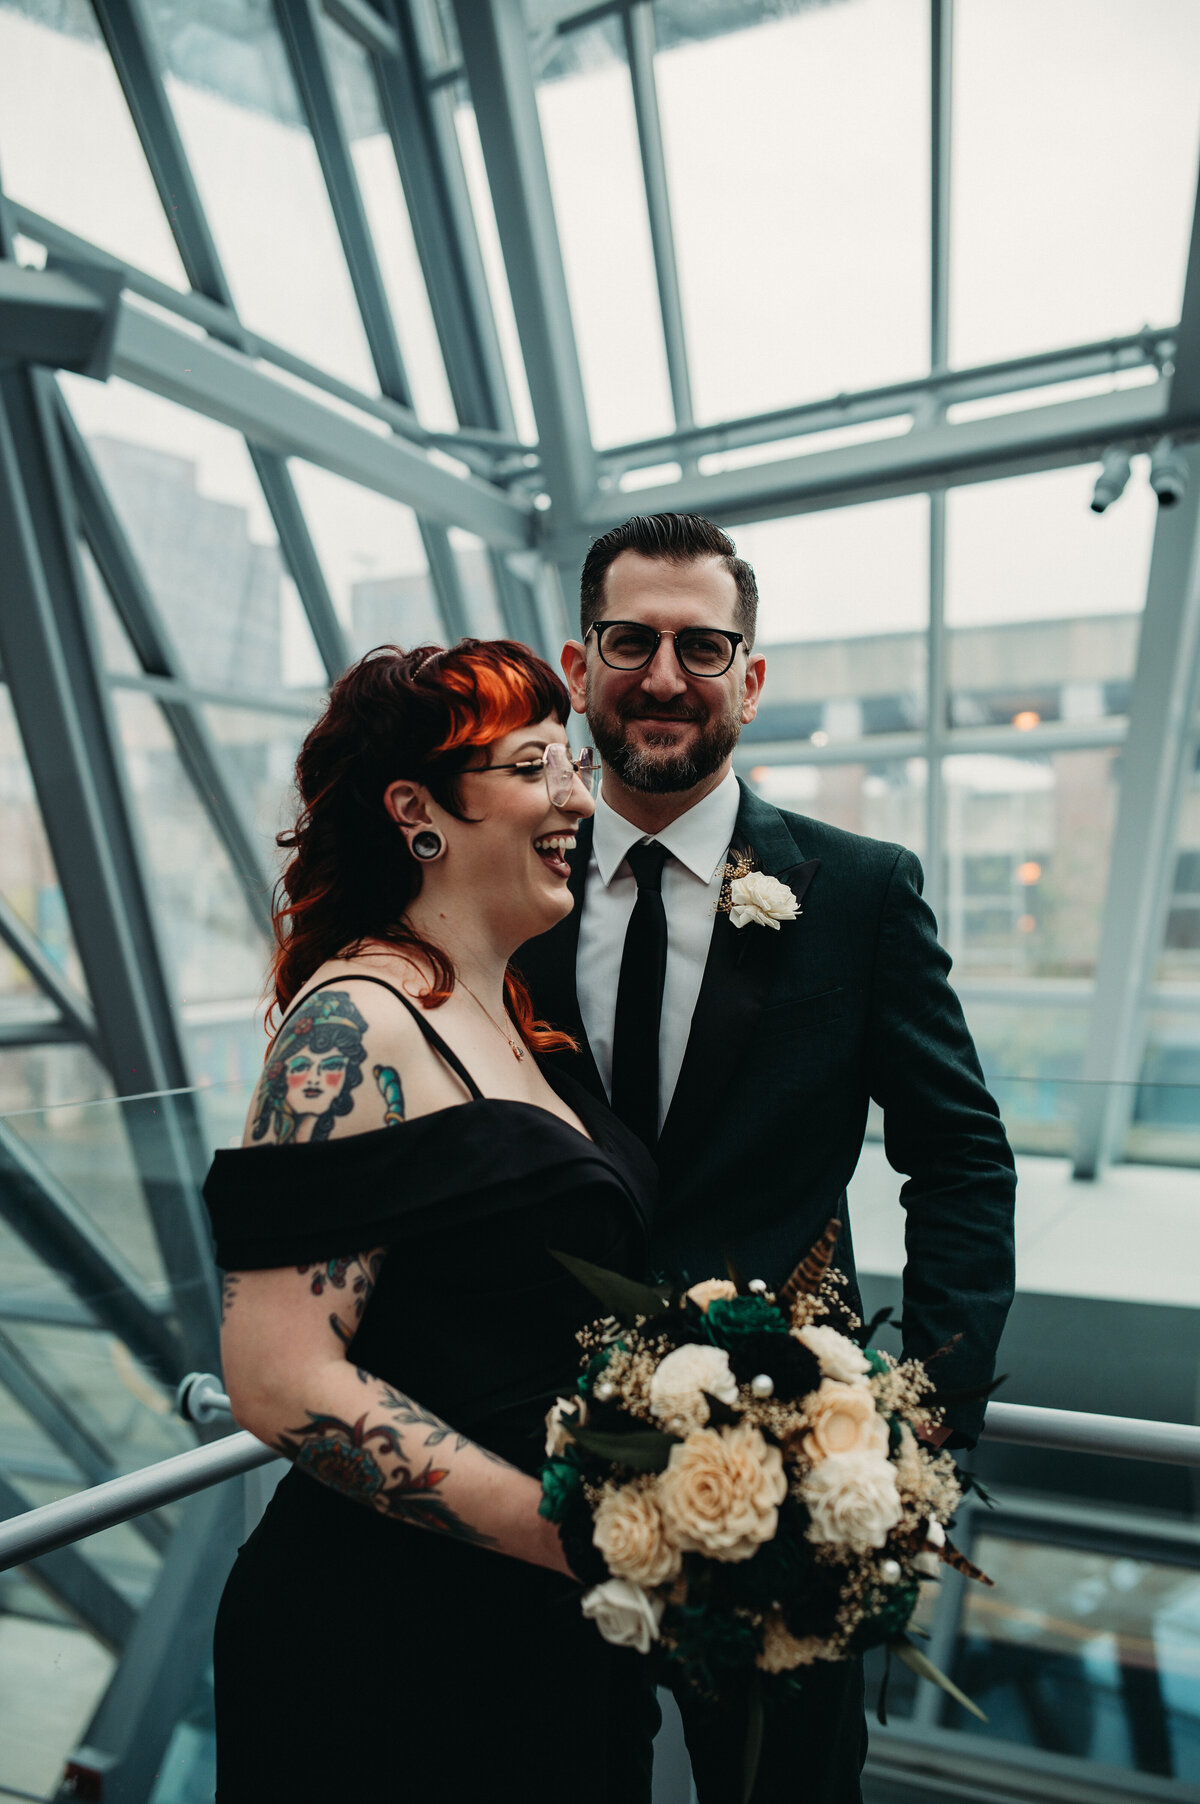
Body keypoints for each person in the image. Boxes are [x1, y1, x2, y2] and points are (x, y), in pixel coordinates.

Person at [515, 512, 1018, 1804]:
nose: (666, 675)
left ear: (751, 677)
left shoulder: (858, 893)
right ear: (580, 669)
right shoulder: (506, 894)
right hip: (529, 1480)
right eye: (632, 641)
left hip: (787, 1487)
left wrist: (917, 1433)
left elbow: (960, 1160)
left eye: (703, 644)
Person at [203, 640, 660, 1801]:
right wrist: (573, 1534)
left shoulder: (506, 1013)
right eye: (534, 766)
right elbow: (277, 1375)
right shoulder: (351, 1024)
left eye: (572, 764)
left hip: (537, 1622)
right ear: (418, 810)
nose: (577, 795)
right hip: (389, 1644)